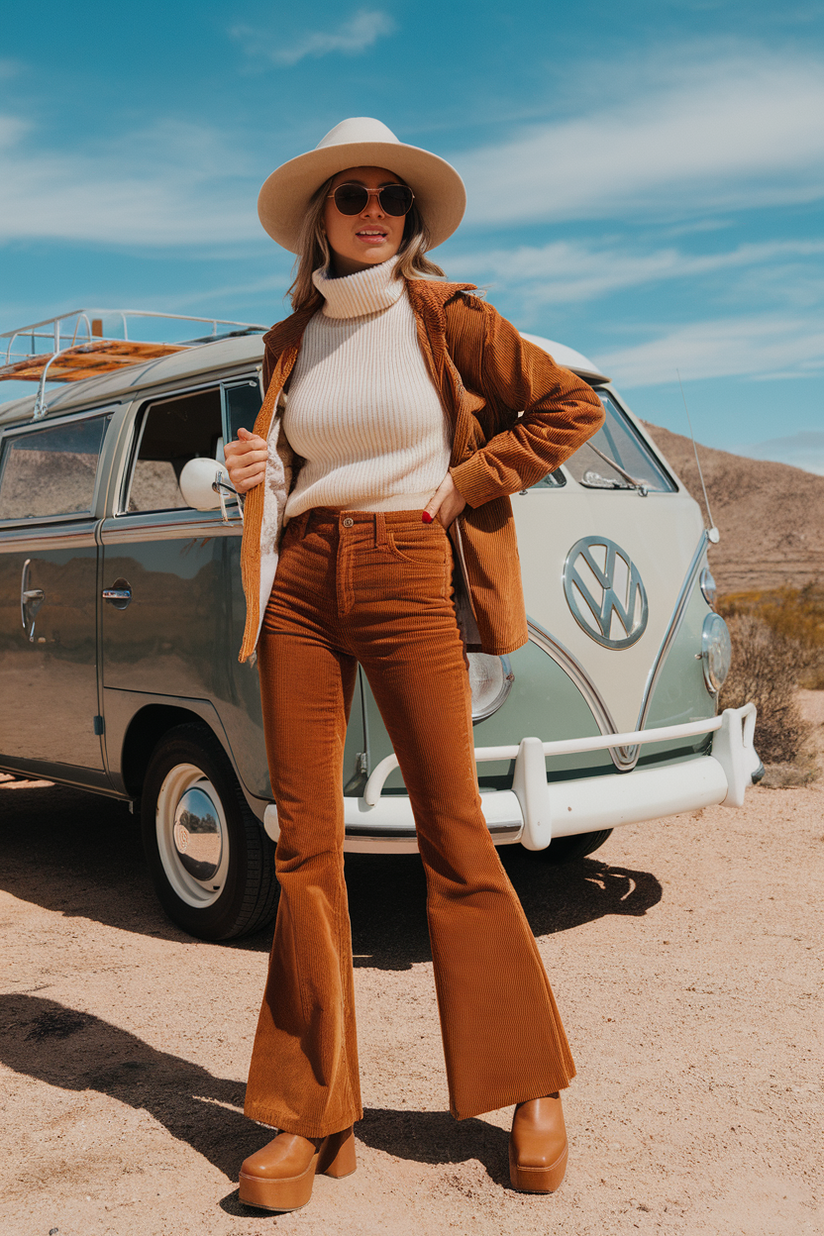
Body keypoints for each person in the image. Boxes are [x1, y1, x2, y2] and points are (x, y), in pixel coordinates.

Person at [223, 117, 605, 1213]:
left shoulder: (446, 313)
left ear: (412, 219)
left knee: (454, 832)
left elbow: (564, 406)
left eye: (392, 197)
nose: (374, 211)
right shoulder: (287, 339)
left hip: (403, 570)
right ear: (320, 219)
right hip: (299, 579)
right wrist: (260, 465)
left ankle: (527, 1086)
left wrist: (468, 483)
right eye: (352, 195)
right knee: (304, 846)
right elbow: (292, 465)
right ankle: (308, 1114)